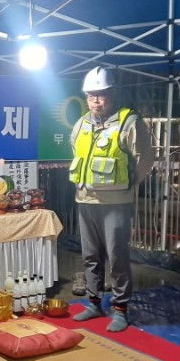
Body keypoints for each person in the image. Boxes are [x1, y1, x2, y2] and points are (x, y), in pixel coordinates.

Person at [68, 66, 154, 331]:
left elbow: (145, 159)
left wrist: (127, 185)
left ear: (112, 94)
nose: (96, 101)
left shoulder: (129, 123)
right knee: (90, 257)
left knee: (117, 257)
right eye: (91, 96)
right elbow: (76, 152)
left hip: (116, 204)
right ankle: (94, 303)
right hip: (85, 201)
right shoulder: (81, 124)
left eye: (101, 95)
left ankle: (120, 309)